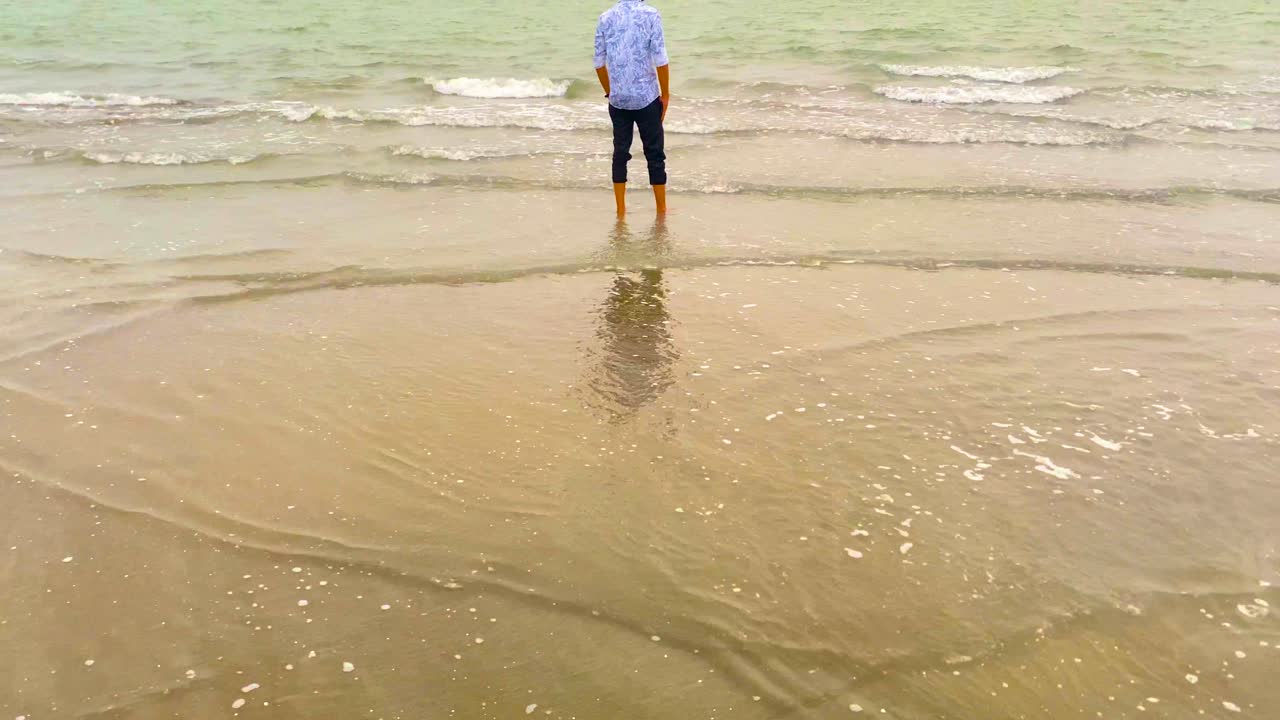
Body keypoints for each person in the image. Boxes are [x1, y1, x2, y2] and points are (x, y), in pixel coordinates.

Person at [593, 0, 671, 216]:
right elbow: (661, 59)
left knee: (620, 153)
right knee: (655, 154)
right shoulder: (651, 14)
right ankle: (661, 210)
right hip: (646, 98)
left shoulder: (605, 17)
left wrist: (610, 91)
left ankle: (620, 211)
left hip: (618, 101)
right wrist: (665, 94)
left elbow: (599, 62)